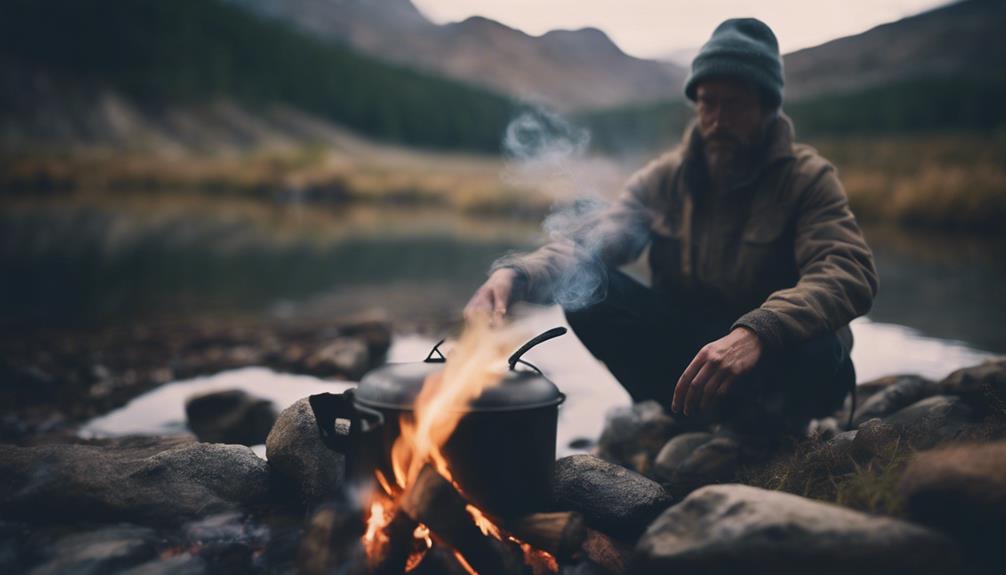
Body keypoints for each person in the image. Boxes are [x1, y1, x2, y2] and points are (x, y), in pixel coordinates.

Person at [465, 18, 878, 438]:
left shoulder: (807, 178)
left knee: (819, 345)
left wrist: (760, 330)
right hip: (694, 357)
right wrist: (517, 273)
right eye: (707, 102)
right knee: (586, 286)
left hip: (771, 363)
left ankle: (772, 428)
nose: (716, 119)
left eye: (733, 104)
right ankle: (684, 414)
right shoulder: (664, 179)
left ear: (767, 107)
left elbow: (847, 269)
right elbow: (592, 241)